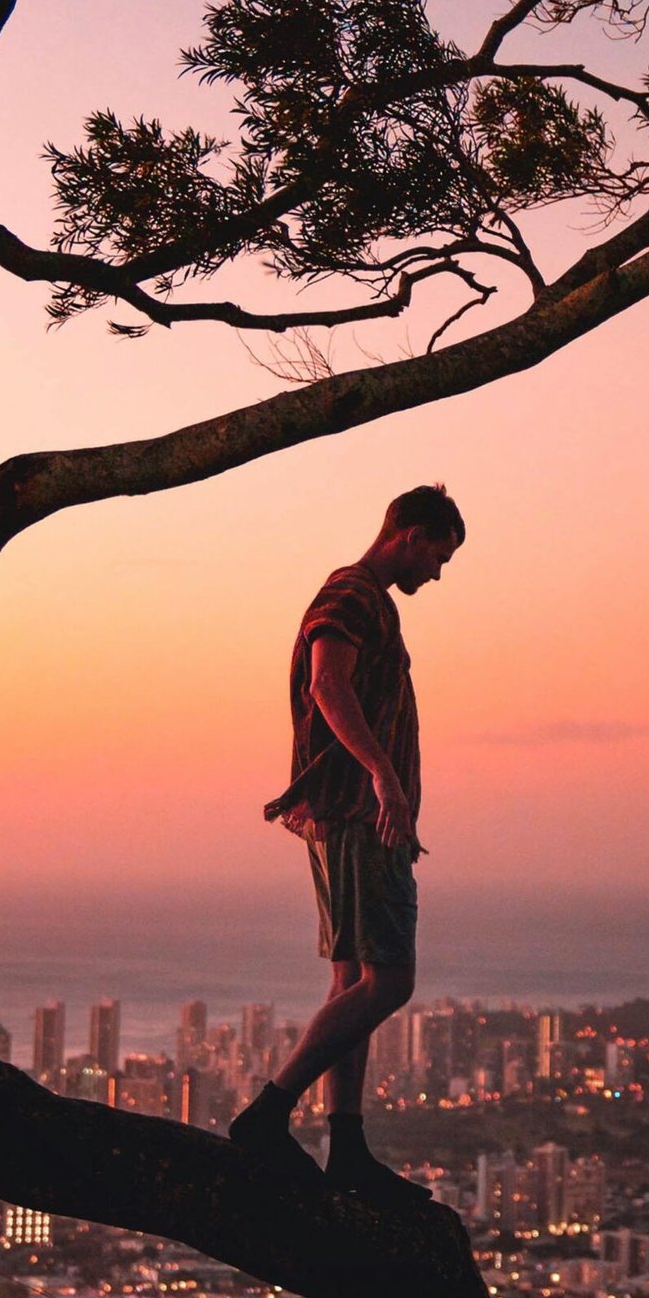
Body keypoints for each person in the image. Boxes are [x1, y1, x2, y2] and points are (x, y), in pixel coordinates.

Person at [228, 484, 464, 1204]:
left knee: (351, 982)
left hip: (348, 813)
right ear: (410, 534)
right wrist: (384, 776)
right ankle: (269, 1112)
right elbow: (330, 682)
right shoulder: (354, 593)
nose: (438, 573)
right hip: (361, 814)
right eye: (438, 554)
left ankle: (347, 1149)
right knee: (390, 981)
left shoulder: (366, 597)